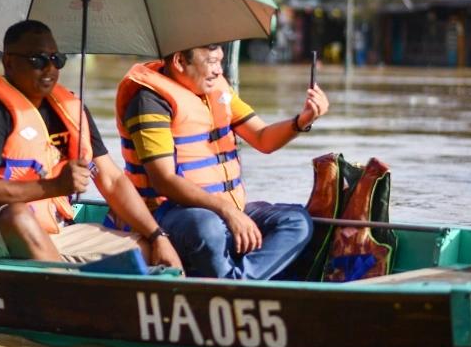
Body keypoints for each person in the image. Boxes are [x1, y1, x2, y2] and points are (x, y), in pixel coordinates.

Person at [0, 20, 182, 269]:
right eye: (38, 60)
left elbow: (112, 180)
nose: (50, 68)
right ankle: (67, 288)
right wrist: (55, 186)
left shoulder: (71, 110)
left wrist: (158, 236)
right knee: (18, 216)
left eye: (57, 59)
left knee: (141, 249)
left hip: (53, 231)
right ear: (8, 62)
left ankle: (75, 279)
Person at [115, 43, 329, 279]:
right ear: (179, 62)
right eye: (211, 62)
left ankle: (239, 282)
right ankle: (234, 284)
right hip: (168, 215)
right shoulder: (149, 101)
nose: (219, 70)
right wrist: (227, 211)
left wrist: (301, 121)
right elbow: (163, 180)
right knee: (207, 226)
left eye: (220, 61)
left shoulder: (216, 90)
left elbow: (262, 138)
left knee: (297, 221)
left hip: (222, 209)